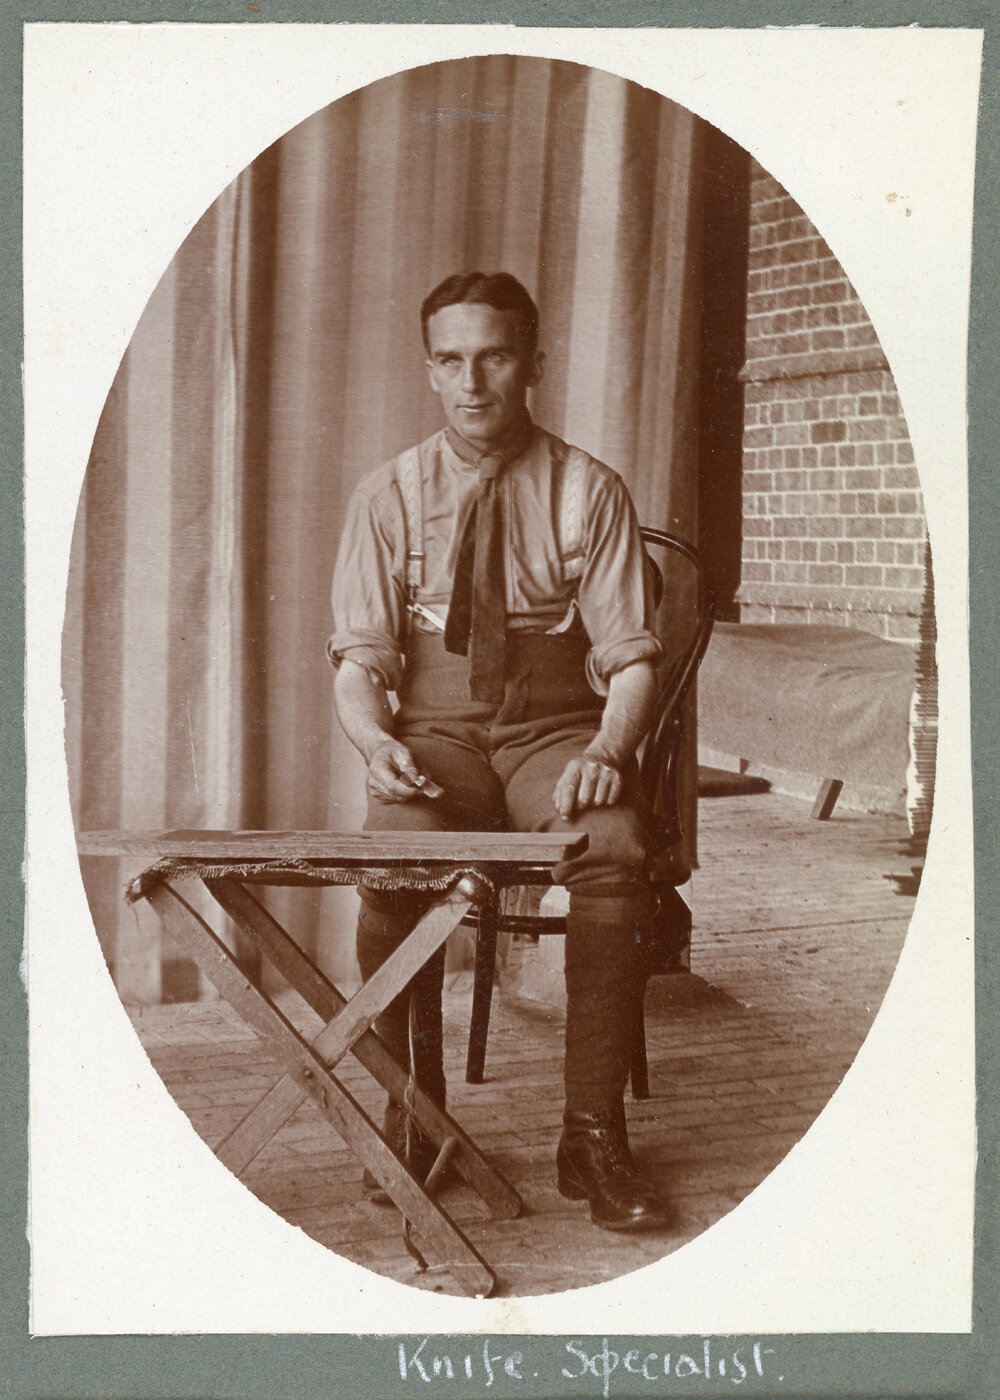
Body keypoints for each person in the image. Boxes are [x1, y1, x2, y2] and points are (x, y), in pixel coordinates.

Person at [328, 271, 671, 1233]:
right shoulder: (388, 494)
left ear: (533, 363)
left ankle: (593, 1136)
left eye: (495, 356)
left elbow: (632, 657)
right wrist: (372, 743)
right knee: (394, 854)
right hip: (436, 736)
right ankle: (414, 1114)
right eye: (450, 359)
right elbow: (361, 662)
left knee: (612, 851)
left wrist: (609, 744)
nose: (472, 381)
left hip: (556, 733)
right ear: (430, 368)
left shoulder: (587, 488)